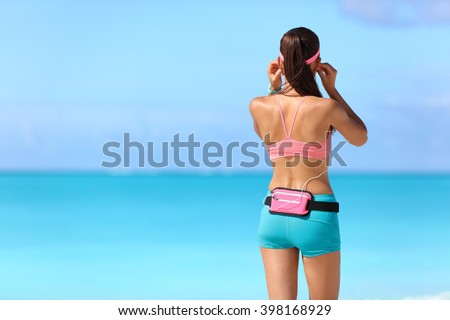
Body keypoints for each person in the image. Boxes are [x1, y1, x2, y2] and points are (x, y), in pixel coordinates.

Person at [249, 27, 368, 300]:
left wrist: (273, 89)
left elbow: (265, 137)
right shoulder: (326, 108)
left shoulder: (258, 105)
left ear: (279, 62)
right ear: (316, 62)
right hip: (315, 214)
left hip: (274, 213)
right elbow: (360, 137)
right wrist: (332, 90)